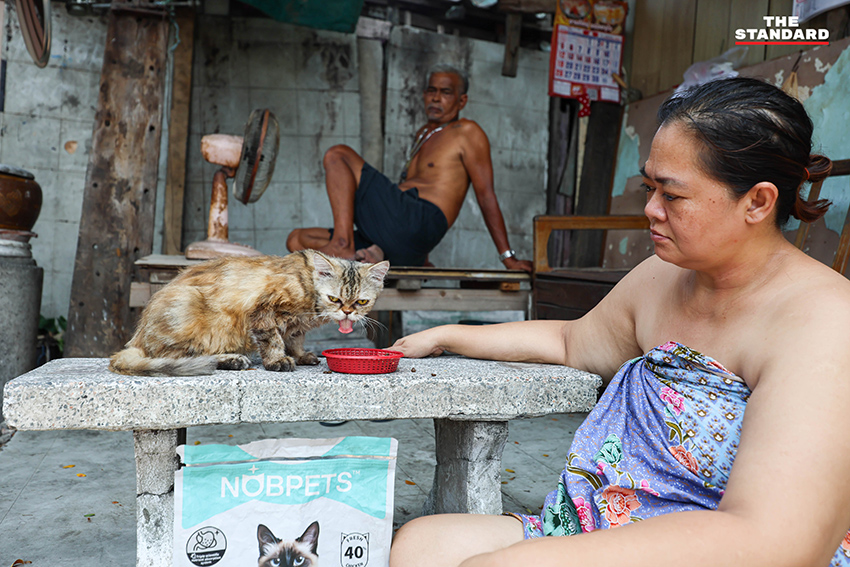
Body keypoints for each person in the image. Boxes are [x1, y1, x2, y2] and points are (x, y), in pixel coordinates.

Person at [388, 76, 850, 567]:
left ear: (757, 202)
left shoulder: (824, 321)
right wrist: (445, 335)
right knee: (421, 544)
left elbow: (777, 543)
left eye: (672, 196)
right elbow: (571, 339)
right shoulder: (663, 277)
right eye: (650, 188)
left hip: (721, 550)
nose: (650, 210)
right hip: (609, 523)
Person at [286, 63, 532, 272]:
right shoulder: (424, 134)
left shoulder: (467, 132)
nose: (436, 98)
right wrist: (421, 259)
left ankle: (343, 243)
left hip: (418, 223)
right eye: (431, 91)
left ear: (462, 100)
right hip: (400, 238)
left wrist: (507, 257)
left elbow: (486, 195)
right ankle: (366, 254)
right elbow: (421, 187)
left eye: (445, 92)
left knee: (338, 155)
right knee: (297, 239)